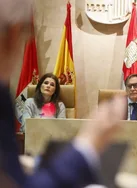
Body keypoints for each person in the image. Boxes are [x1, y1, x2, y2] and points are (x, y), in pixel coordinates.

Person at [0, 0, 127, 187]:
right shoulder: (21, 102)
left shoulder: (57, 105)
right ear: (14, 34)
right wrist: (89, 142)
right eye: (26, 31)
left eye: (52, 84)